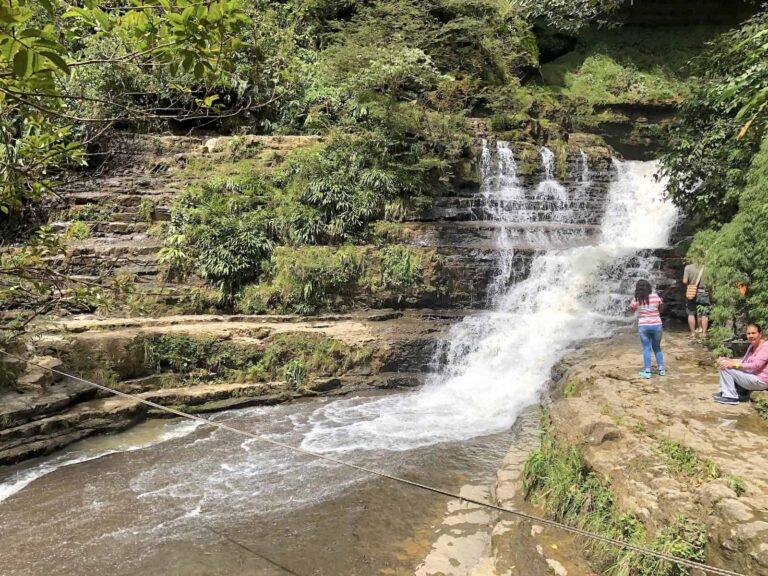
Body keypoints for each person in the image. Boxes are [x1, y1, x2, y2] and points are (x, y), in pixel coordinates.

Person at [713, 323, 768, 404]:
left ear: (760, 334)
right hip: (752, 376)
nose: (751, 336)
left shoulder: (765, 346)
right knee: (724, 363)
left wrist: (734, 364)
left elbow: (756, 365)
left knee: (728, 367)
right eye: (748, 333)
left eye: (753, 333)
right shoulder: (752, 346)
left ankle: (730, 397)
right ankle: (724, 392)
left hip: (761, 381)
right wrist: (727, 360)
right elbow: (744, 362)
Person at [629, 279, 666, 378]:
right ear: (649, 287)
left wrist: (634, 308)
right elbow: (661, 308)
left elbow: (632, 310)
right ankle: (661, 370)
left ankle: (648, 371)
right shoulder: (655, 296)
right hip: (657, 325)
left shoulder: (637, 299)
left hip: (644, 326)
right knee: (657, 347)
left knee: (646, 348)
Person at [682, 261, 710, 340]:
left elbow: (684, 281)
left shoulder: (688, 267)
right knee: (704, 313)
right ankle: (704, 334)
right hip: (704, 292)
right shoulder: (707, 268)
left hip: (692, 292)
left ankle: (693, 334)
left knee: (691, 313)